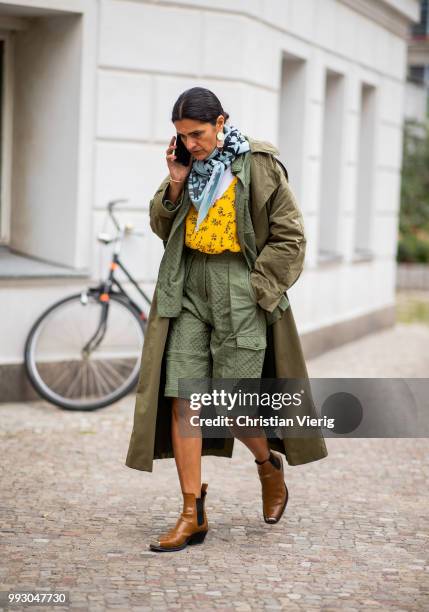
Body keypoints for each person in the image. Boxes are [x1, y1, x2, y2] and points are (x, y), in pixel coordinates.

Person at [125, 87, 328, 553]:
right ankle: (190, 513)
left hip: (241, 286)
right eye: (182, 136)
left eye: (197, 134)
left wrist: (258, 289)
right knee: (184, 397)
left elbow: (290, 237)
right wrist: (175, 182)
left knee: (228, 404)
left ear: (221, 122)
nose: (190, 144)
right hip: (189, 285)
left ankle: (267, 464)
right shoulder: (186, 166)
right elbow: (162, 225)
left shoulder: (257, 164)